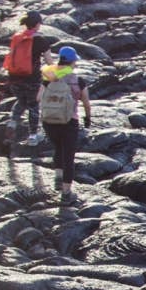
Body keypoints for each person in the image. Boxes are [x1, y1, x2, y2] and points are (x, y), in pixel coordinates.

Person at [36, 45, 94, 202]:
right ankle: (66, 194)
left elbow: (38, 98)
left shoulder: (49, 77)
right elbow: (86, 103)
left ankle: (57, 178)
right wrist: (88, 118)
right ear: (72, 62)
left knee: (58, 148)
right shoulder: (78, 81)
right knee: (69, 155)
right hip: (69, 122)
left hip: (49, 121)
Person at [0, 11, 51, 144]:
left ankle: (13, 122)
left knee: (21, 101)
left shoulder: (17, 37)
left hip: (14, 77)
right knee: (33, 105)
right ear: (37, 24)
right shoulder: (41, 40)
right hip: (31, 79)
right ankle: (33, 136)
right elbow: (49, 62)